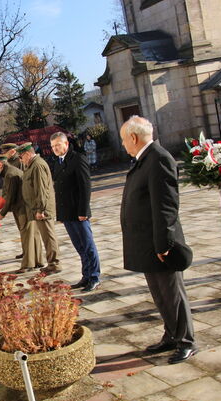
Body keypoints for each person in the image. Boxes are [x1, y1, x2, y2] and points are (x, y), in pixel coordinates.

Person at [120, 116, 197, 364]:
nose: (123, 145)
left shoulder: (159, 158)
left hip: (160, 243)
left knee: (173, 294)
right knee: (160, 295)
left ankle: (186, 341)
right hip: (146, 242)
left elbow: (166, 207)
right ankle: (171, 335)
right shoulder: (144, 159)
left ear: (133, 137)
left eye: (124, 139)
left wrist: (164, 244)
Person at [50, 132, 101, 291]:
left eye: (58, 145)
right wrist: (60, 214)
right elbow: (58, 189)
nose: (55, 149)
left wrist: (83, 211)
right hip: (67, 213)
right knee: (79, 246)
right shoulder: (58, 162)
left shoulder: (78, 159)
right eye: (53, 146)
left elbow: (85, 187)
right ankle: (86, 276)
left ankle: (94, 276)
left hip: (78, 212)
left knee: (88, 245)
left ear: (66, 144)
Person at [0, 154, 44, 273]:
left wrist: (2, 213)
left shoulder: (10, 174)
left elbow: (10, 196)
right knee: (33, 234)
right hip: (26, 207)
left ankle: (27, 264)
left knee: (26, 235)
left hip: (23, 208)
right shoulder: (11, 172)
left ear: (0, 164)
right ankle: (38, 260)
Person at [17, 142, 61, 274]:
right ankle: (51, 263)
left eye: (21, 157)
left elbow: (41, 190)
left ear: (28, 154)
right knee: (46, 236)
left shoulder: (37, 165)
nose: (20, 160)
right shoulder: (32, 165)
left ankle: (55, 264)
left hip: (42, 209)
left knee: (49, 236)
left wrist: (40, 209)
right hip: (37, 208)